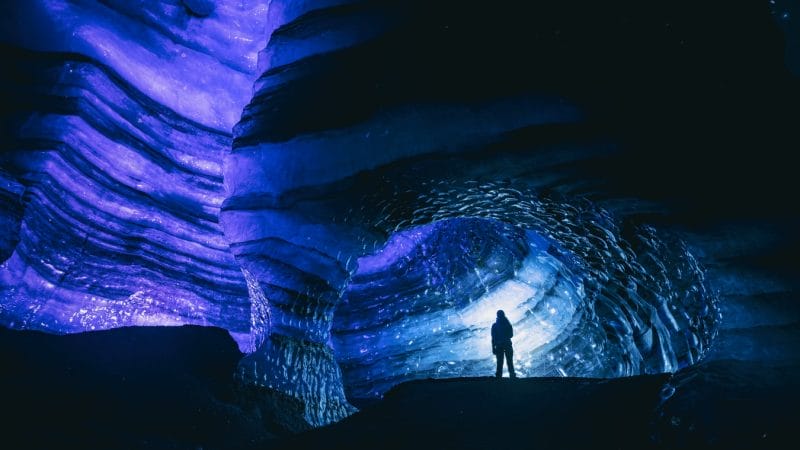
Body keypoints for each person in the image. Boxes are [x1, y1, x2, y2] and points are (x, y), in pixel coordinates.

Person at [491, 310, 516, 379]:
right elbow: (511, 335)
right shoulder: (507, 324)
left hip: (499, 345)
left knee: (500, 362)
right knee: (509, 361)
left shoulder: (494, 325)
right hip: (507, 344)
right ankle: (512, 375)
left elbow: (493, 338)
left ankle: (498, 376)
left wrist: (493, 348)